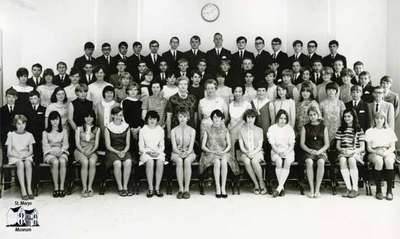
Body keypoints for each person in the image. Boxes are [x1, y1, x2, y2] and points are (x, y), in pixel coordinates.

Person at [365, 112, 397, 200]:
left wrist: (386, 153)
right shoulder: (369, 131)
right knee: (379, 161)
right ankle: (379, 190)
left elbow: (393, 147)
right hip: (374, 152)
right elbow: (368, 148)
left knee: (389, 161)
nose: (379, 120)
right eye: (377, 118)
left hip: (387, 151)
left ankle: (389, 191)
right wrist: (377, 152)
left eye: (381, 118)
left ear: (384, 120)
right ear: (374, 120)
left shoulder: (389, 131)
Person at [200, 110, 232, 198]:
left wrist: (224, 151)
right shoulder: (208, 129)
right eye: (214, 117)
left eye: (218, 117)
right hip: (211, 153)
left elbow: (229, 145)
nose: (216, 119)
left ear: (221, 118)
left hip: (223, 152)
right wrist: (212, 151)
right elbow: (203, 146)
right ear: (212, 119)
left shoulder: (225, 130)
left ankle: (223, 188)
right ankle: (217, 187)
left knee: (224, 162)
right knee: (217, 162)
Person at [300, 106, 330, 198]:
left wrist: (319, 151)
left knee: (321, 162)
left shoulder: (323, 127)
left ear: (318, 115)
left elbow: (327, 144)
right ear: (308, 116)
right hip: (309, 151)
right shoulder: (305, 127)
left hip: (321, 151)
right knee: (309, 162)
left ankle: (317, 189)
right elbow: (302, 144)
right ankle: (311, 189)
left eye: (314, 114)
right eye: (310, 115)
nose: (312, 116)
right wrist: (310, 150)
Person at [335, 109, 365, 198]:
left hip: (355, 153)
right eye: (345, 116)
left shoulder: (358, 129)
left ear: (353, 117)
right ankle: (348, 187)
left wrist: (352, 151)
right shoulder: (341, 129)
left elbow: (362, 147)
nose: (346, 118)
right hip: (344, 152)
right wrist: (342, 150)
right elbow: (338, 146)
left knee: (351, 160)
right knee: (342, 160)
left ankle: (355, 188)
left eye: (349, 116)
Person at [104, 106, 133, 197]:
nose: (118, 117)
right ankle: (120, 187)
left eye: (120, 115)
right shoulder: (108, 127)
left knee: (128, 162)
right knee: (117, 163)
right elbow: (108, 146)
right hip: (112, 150)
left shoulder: (126, 126)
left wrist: (124, 151)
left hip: (124, 149)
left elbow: (128, 144)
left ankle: (125, 187)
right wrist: (117, 152)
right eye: (116, 115)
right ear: (112, 115)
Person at [5, 115, 35, 200]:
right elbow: (9, 152)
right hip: (15, 156)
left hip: (26, 155)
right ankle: (23, 188)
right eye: (19, 124)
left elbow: (31, 150)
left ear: (26, 124)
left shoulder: (29, 135)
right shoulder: (11, 135)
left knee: (28, 163)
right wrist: (18, 156)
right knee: (20, 164)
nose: (21, 126)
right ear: (15, 124)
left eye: (23, 123)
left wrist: (26, 155)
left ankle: (29, 187)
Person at [267, 110, 296, 197]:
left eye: (285, 118)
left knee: (287, 162)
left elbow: (292, 144)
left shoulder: (289, 128)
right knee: (279, 162)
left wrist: (286, 152)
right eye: (281, 118)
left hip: (288, 151)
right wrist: (279, 152)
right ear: (277, 118)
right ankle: (281, 188)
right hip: (276, 151)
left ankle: (279, 188)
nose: (283, 120)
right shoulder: (272, 128)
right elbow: (272, 144)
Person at [139, 111, 166, 198]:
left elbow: (162, 146)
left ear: (157, 120)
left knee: (160, 162)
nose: (152, 120)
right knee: (150, 161)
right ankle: (150, 188)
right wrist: (148, 152)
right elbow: (141, 146)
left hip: (158, 152)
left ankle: (157, 188)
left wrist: (157, 152)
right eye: (150, 118)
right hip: (146, 152)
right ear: (147, 119)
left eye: (154, 118)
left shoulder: (160, 130)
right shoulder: (143, 130)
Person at [239, 109, 266, 194]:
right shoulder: (241, 130)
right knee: (247, 161)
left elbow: (259, 146)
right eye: (248, 117)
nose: (250, 119)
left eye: (252, 117)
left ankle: (261, 183)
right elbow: (241, 146)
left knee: (254, 161)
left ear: (255, 118)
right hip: (245, 152)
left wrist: (253, 153)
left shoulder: (259, 130)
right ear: (245, 118)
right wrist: (247, 153)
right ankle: (256, 184)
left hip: (257, 152)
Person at [42, 111, 69, 198]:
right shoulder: (45, 132)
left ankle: (61, 187)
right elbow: (45, 145)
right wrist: (52, 150)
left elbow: (65, 144)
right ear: (49, 121)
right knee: (55, 162)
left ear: (59, 120)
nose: (54, 122)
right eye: (52, 119)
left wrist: (61, 150)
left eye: (56, 119)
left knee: (62, 161)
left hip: (61, 152)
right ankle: (56, 188)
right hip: (49, 153)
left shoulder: (64, 131)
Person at [170, 109, 196, 199]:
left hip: (189, 152)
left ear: (188, 118)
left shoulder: (192, 130)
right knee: (179, 161)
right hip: (176, 152)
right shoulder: (173, 130)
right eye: (180, 116)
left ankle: (187, 189)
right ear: (177, 118)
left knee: (187, 161)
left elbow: (191, 146)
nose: (182, 119)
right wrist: (179, 153)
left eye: (184, 117)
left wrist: (187, 153)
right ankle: (180, 189)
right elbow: (174, 147)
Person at [74, 110, 100, 197]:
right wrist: (83, 151)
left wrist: (91, 151)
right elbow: (77, 143)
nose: (88, 119)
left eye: (91, 117)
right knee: (85, 162)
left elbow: (96, 144)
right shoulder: (79, 128)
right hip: (80, 150)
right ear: (83, 118)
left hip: (92, 150)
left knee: (92, 162)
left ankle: (90, 187)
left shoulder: (97, 129)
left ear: (93, 118)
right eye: (86, 117)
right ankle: (84, 188)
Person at [228, 85, 251, 163]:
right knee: (231, 146)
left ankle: (243, 165)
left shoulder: (247, 104)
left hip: (243, 129)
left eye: (240, 91)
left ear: (243, 93)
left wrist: (234, 127)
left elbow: (247, 119)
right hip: (232, 131)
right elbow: (229, 118)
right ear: (233, 93)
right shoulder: (230, 105)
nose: (238, 93)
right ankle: (233, 165)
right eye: (236, 91)